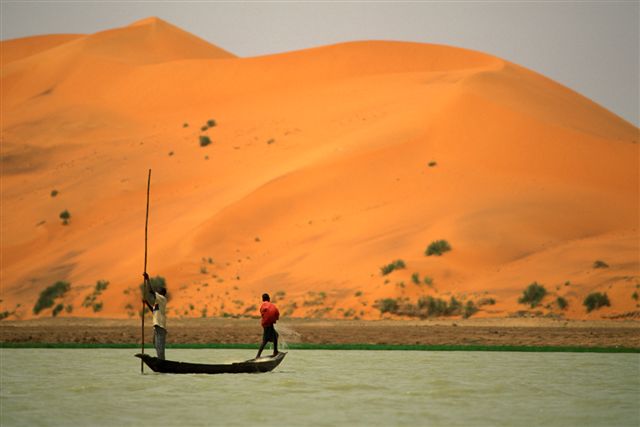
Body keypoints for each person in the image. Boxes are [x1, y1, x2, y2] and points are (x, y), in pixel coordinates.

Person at [142, 272, 167, 360]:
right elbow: (153, 311)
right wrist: (146, 303)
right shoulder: (158, 303)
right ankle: (160, 359)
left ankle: (161, 361)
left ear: (162, 294)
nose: (157, 292)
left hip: (160, 326)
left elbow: (150, 291)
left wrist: (147, 279)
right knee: (155, 343)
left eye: (159, 291)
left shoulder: (162, 299)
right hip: (157, 326)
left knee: (159, 346)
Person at [256, 293, 280, 358]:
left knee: (274, 336)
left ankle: (275, 351)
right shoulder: (273, 305)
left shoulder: (263, 305)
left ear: (263, 299)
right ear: (269, 299)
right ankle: (258, 355)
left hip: (266, 324)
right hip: (270, 324)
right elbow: (277, 314)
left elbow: (262, 314)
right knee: (271, 337)